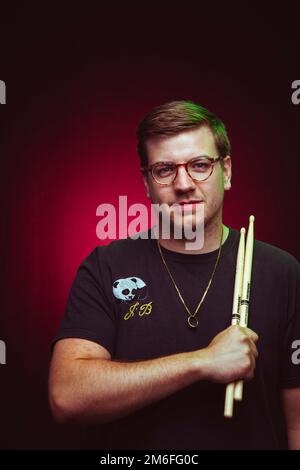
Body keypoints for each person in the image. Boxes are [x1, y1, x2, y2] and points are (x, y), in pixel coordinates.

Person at [49, 100, 300, 450]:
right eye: (165, 169)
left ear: (226, 171)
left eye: (200, 165)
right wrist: (201, 362)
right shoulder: (106, 266)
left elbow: (297, 427)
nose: (184, 183)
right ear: (147, 183)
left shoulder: (282, 272)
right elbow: (67, 396)